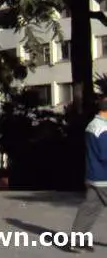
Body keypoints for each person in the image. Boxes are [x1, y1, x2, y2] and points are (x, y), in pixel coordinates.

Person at [66, 97, 107, 253]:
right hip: (104, 177)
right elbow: (104, 154)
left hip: (93, 175)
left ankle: (77, 240)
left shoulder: (93, 125)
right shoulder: (103, 129)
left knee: (89, 208)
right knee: (90, 208)